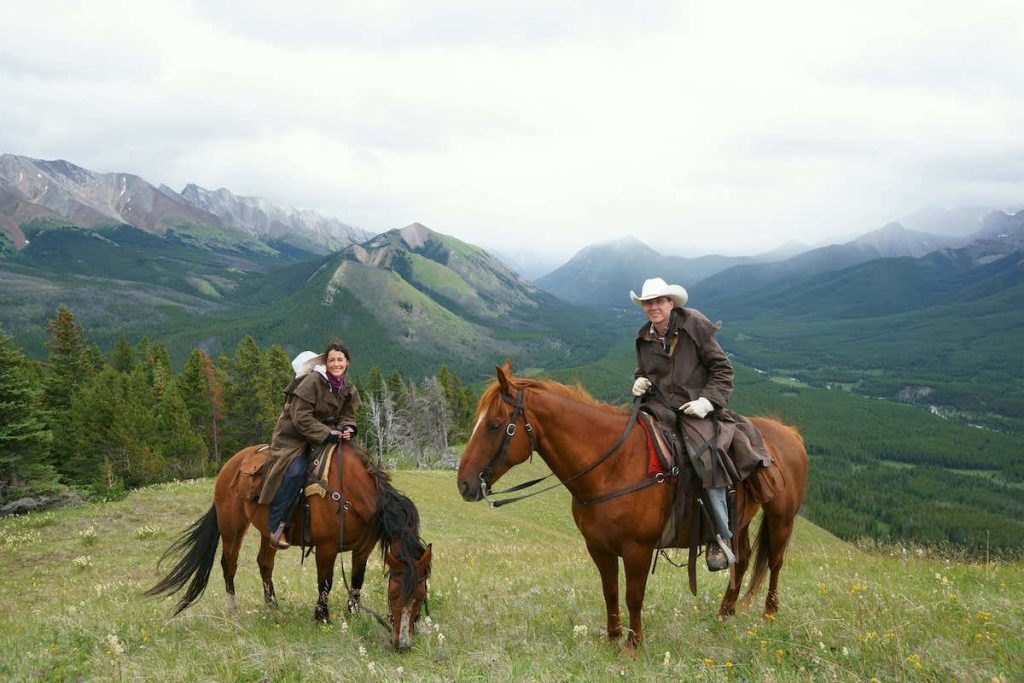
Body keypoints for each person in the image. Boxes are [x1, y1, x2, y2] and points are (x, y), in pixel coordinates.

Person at [629, 278, 772, 571]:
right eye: (648, 302)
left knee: (704, 457)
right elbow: (643, 370)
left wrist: (707, 401)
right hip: (658, 408)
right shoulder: (644, 336)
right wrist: (639, 381)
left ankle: (720, 536)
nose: (653, 307)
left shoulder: (694, 324)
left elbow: (722, 369)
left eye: (659, 301)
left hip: (695, 409)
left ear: (671, 303)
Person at [258, 341, 361, 549]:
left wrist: (348, 428)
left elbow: (347, 415)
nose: (336, 363)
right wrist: (328, 433)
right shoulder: (312, 382)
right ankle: (276, 525)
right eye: (331, 360)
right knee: (296, 472)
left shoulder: (347, 387)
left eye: (340, 359)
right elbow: (300, 418)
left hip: (326, 436)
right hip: (294, 438)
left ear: (347, 362)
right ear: (326, 362)